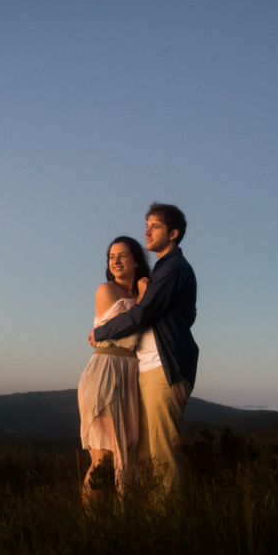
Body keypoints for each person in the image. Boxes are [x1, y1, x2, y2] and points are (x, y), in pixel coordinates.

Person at [89, 203, 198, 497]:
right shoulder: (164, 270)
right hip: (146, 370)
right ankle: (150, 522)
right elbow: (184, 315)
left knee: (162, 453)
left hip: (164, 370)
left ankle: (166, 524)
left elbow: (141, 315)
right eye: (146, 225)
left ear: (173, 233)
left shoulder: (173, 268)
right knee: (142, 454)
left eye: (156, 226)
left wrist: (99, 333)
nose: (147, 230)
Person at [77, 236, 150, 500]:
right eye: (111, 257)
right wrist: (143, 298)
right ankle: (89, 525)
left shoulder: (141, 295)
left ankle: (117, 524)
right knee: (103, 459)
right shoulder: (106, 290)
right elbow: (128, 332)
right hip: (104, 374)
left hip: (129, 376)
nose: (116, 261)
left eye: (122, 256)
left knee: (126, 455)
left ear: (136, 261)